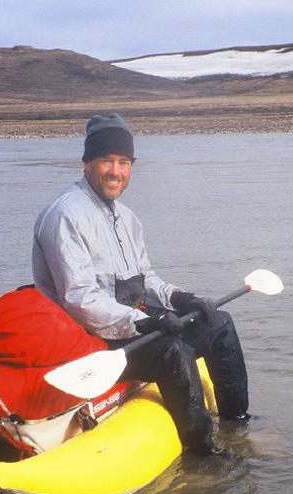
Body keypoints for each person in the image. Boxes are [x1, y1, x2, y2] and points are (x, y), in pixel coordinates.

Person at [32, 113, 250, 455]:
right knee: (172, 350)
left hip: (133, 326)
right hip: (89, 341)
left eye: (123, 162)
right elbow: (79, 300)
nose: (115, 171)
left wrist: (181, 298)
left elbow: (144, 279)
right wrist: (145, 321)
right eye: (106, 160)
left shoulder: (127, 218)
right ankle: (205, 455)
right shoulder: (66, 216)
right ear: (87, 164)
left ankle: (239, 427)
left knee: (218, 323)